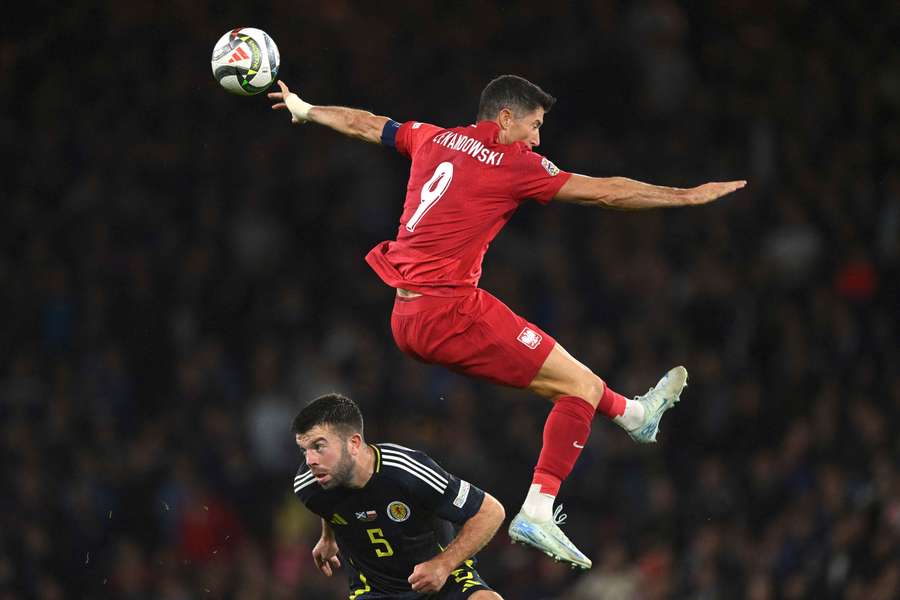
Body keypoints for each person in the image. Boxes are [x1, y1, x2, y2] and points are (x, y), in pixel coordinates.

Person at [270, 75, 746, 569]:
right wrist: (685, 197)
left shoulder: (431, 136)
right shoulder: (514, 163)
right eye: (534, 126)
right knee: (577, 389)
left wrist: (305, 109)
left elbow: (365, 124)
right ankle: (537, 511)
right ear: (504, 119)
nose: (538, 139)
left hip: (405, 315)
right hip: (449, 310)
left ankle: (635, 417)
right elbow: (604, 192)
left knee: (567, 380)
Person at [292, 393, 506, 599]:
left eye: (319, 446)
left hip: (443, 581)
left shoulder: (407, 471)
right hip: (375, 591)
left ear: (354, 443)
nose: (310, 460)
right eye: (304, 450)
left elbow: (490, 512)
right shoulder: (309, 484)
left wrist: (443, 564)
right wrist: (327, 537)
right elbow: (324, 503)